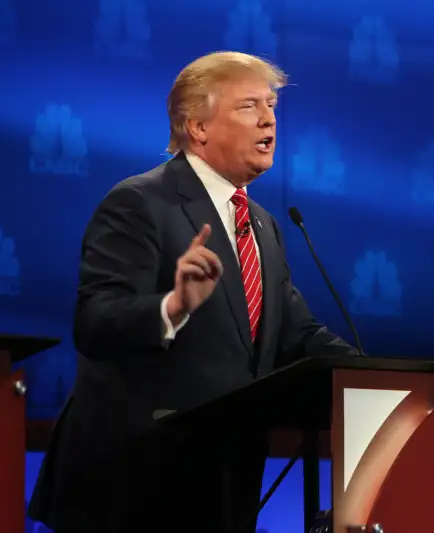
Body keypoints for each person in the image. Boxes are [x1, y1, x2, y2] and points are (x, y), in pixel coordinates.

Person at [28, 51, 358, 533]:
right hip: (134, 488)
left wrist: (382, 378)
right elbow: (96, 322)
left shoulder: (263, 224)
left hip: (223, 486)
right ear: (197, 127)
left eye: (271, 106)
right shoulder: (139, 202)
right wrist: (173, 305)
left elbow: (295, 332)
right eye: (249, 107)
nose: (269, 119)